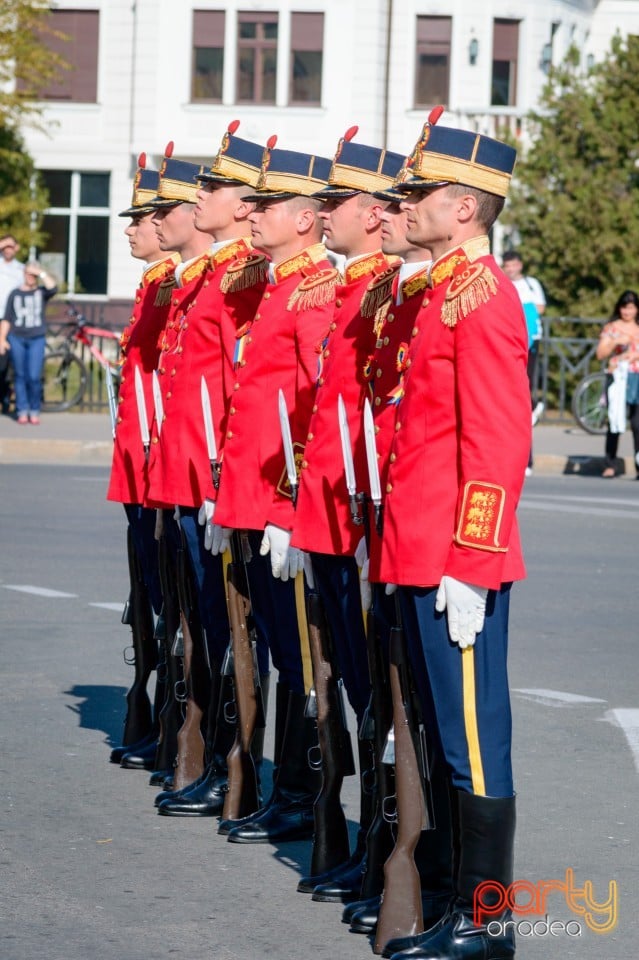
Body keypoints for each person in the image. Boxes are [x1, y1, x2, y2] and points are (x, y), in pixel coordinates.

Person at [371, 109, 531, 960]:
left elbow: (498, 441)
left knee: (476, 745)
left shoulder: (483, 297)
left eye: (423, 190)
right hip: (419, 550)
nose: (410, 203)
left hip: (453, 560)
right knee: (444, 737)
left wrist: (471, 560)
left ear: (464, 204)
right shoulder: (439, 292)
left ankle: (489, 921)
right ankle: (460, 908)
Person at [285, 129, 405, 903]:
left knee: (385, 701)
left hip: (368, 526)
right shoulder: (350, 288)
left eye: (335, 202)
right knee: (351, 692)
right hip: (330, 515)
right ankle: (365, 843)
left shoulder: (382, 290)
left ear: (372, 212)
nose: (322, 212)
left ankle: (389, 852)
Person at [208, 140, 337, 844]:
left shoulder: (315, 291)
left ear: (303, 219)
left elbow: (315, 412)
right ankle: (289, 792)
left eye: (265, 207)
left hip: (280, 506)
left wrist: (289, 509)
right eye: (249, 205)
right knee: (283, 652)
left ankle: (305, 795)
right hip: (253, 501)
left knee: (300, 659)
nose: (250, 216)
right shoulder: (280, 284)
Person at [106, 153, 180, 765]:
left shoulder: (174, 283)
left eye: (144, 217)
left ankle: (179, 728)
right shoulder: (155, 284)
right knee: (152, 600)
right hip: (142, 467)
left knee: (175, 606)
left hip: (164, 469)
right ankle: (158, 714)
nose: (132, 228)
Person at [502, 249, 546, 474]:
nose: (510, 269)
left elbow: (540, 307)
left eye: (513, 265)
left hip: (530, 339)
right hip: (510, 339)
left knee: (526, 385)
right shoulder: (501, 282)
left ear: (519, 265)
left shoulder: (530, 284)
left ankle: (536, 405)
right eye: (507, 266)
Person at [0, 260, 57, 424]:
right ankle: (22, 410)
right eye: (28, 273)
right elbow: (7, 318)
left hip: (36, 338)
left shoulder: (41, 292)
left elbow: (53, 288)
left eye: (33, 275)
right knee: (20, 375)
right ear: (23, 274)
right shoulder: (14, 293)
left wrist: (40, 272)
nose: (30, 277)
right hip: (16, 337)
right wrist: (2, 339)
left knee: (33, 376)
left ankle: (34, 409)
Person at [595, 288, 639, 478]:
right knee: (615, 420)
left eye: (630, 308)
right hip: (617, 378)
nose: (627, 312)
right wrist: (615, 343)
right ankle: (610, 463)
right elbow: (600, 354)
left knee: (637, 424)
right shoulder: (612, 328)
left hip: (636, 376)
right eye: (624, 307)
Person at [0, 234, 25, 413]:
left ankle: (6, 397)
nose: (8, 250)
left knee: (9, 362)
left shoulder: (20, 269)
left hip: (11, 321)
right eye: (5, 247)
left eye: (11, 246)